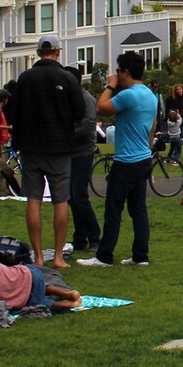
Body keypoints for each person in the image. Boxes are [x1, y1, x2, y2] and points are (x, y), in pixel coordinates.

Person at [7, 36, 86, 269]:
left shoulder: (25, 78)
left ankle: (38, 255)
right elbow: (79, 111)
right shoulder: (67, 78)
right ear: (58, 52)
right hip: (60, 146)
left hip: (30, 146)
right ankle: (59, 256)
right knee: (60, 200)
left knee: (34, 199)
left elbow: (11, 113)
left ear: (39, 52)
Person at [81, 50, 155, 268]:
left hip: (126, 161)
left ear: (125, 72)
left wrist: (111, 85)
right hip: (143, 158)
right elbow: (153, 126)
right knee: (138, 209)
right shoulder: (150, 95)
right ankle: (141, 255)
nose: (116, 75)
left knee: (114, 208)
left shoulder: (128, 94)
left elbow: (100, 107)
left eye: (118, 72)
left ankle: (104, 256)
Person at [67, 66, 102, 254]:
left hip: (82, 152)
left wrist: (65, 135)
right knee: (72, 197)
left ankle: (94, 236)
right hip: (70, 151)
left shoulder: (87, 99)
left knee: (79, 196)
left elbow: (88, 126)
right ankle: (80, 237)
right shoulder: (68, 98)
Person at [165, 83, 183, 158]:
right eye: (177, 90)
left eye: (180, 89)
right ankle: (175, 152)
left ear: (182, 89)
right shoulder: (174, 99)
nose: (178, 91)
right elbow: (172, 108)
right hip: (178, 119)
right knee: (177, 137)